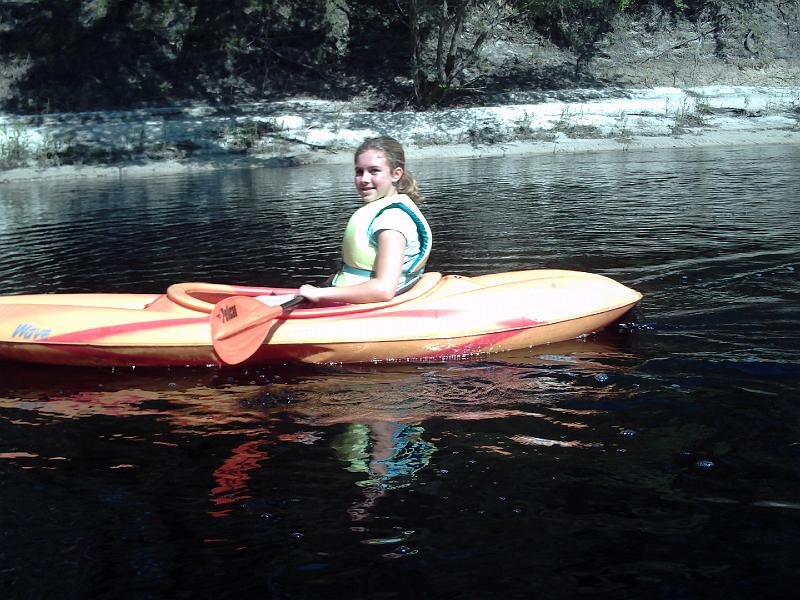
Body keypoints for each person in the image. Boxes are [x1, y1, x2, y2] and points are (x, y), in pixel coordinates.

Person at [298, 136, 431, 304]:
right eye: (359, 172)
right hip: (350, 299)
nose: (364, 179)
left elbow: (384, 289)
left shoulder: (392, 221)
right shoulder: (383, 212)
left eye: (374, 171)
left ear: (396, 174)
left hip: (370, 306)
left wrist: (320, 294)